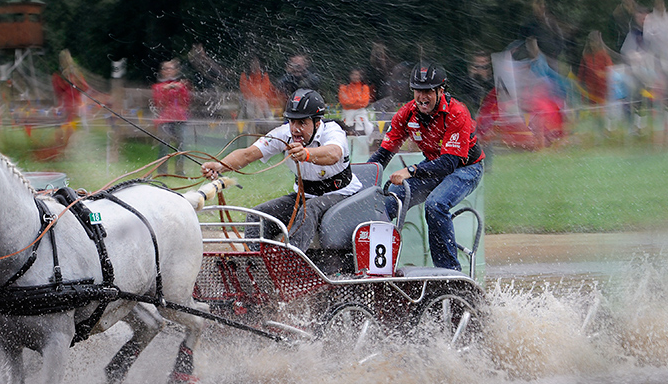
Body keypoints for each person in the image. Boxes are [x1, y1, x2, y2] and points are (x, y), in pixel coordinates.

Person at [200, 88, 362, 252]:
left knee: (310, 209)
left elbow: (334, 154)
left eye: (302, 123)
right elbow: (248, 155)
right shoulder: (283, 134)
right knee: (257, 215)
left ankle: (290, 260)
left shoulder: (332, 130)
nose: (295, 128)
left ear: (317, 123)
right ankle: (252, 263)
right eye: (292, 121)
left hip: (342, 196)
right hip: (304, 197)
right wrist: (220, 165)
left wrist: (306, 154)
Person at [363, 64, 484, 272]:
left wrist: (410, 170)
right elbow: (383, 154)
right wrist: (362, 182)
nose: (422, 97)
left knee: (435, 204)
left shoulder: (457, 112)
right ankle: (373, 268)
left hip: (465, 168)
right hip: (432, 167)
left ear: (440, 91)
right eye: (418, 91)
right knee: (388, 200)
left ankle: (449, 273)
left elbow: (448, 163)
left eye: (428, 91)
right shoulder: (406, 113)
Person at [151, 58, 191, 176]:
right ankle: (162, 172)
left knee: (181, 145)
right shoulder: (158, 87)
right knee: (164, 145)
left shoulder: (181, 85)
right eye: (165, 69)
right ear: (162, 71)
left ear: (175, 71)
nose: (168, 71)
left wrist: (181, 89)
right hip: (164, 119)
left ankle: (180, 171)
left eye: (171, 68)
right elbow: (158, 103)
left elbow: (186, 102)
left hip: (180, 118)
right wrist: (166, 90)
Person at [338, 68, 373, 141]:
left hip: (361, 113)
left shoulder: (364, 88)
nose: (355, 76)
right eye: (353, 74)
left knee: (364, 128)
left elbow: (364, 103)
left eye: (357, 74)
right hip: (347, 113)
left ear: (360, 76)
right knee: (347, 129)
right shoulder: (344, 87)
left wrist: (351, 101)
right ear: (350, 75)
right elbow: (343, 101)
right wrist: (357, 100)